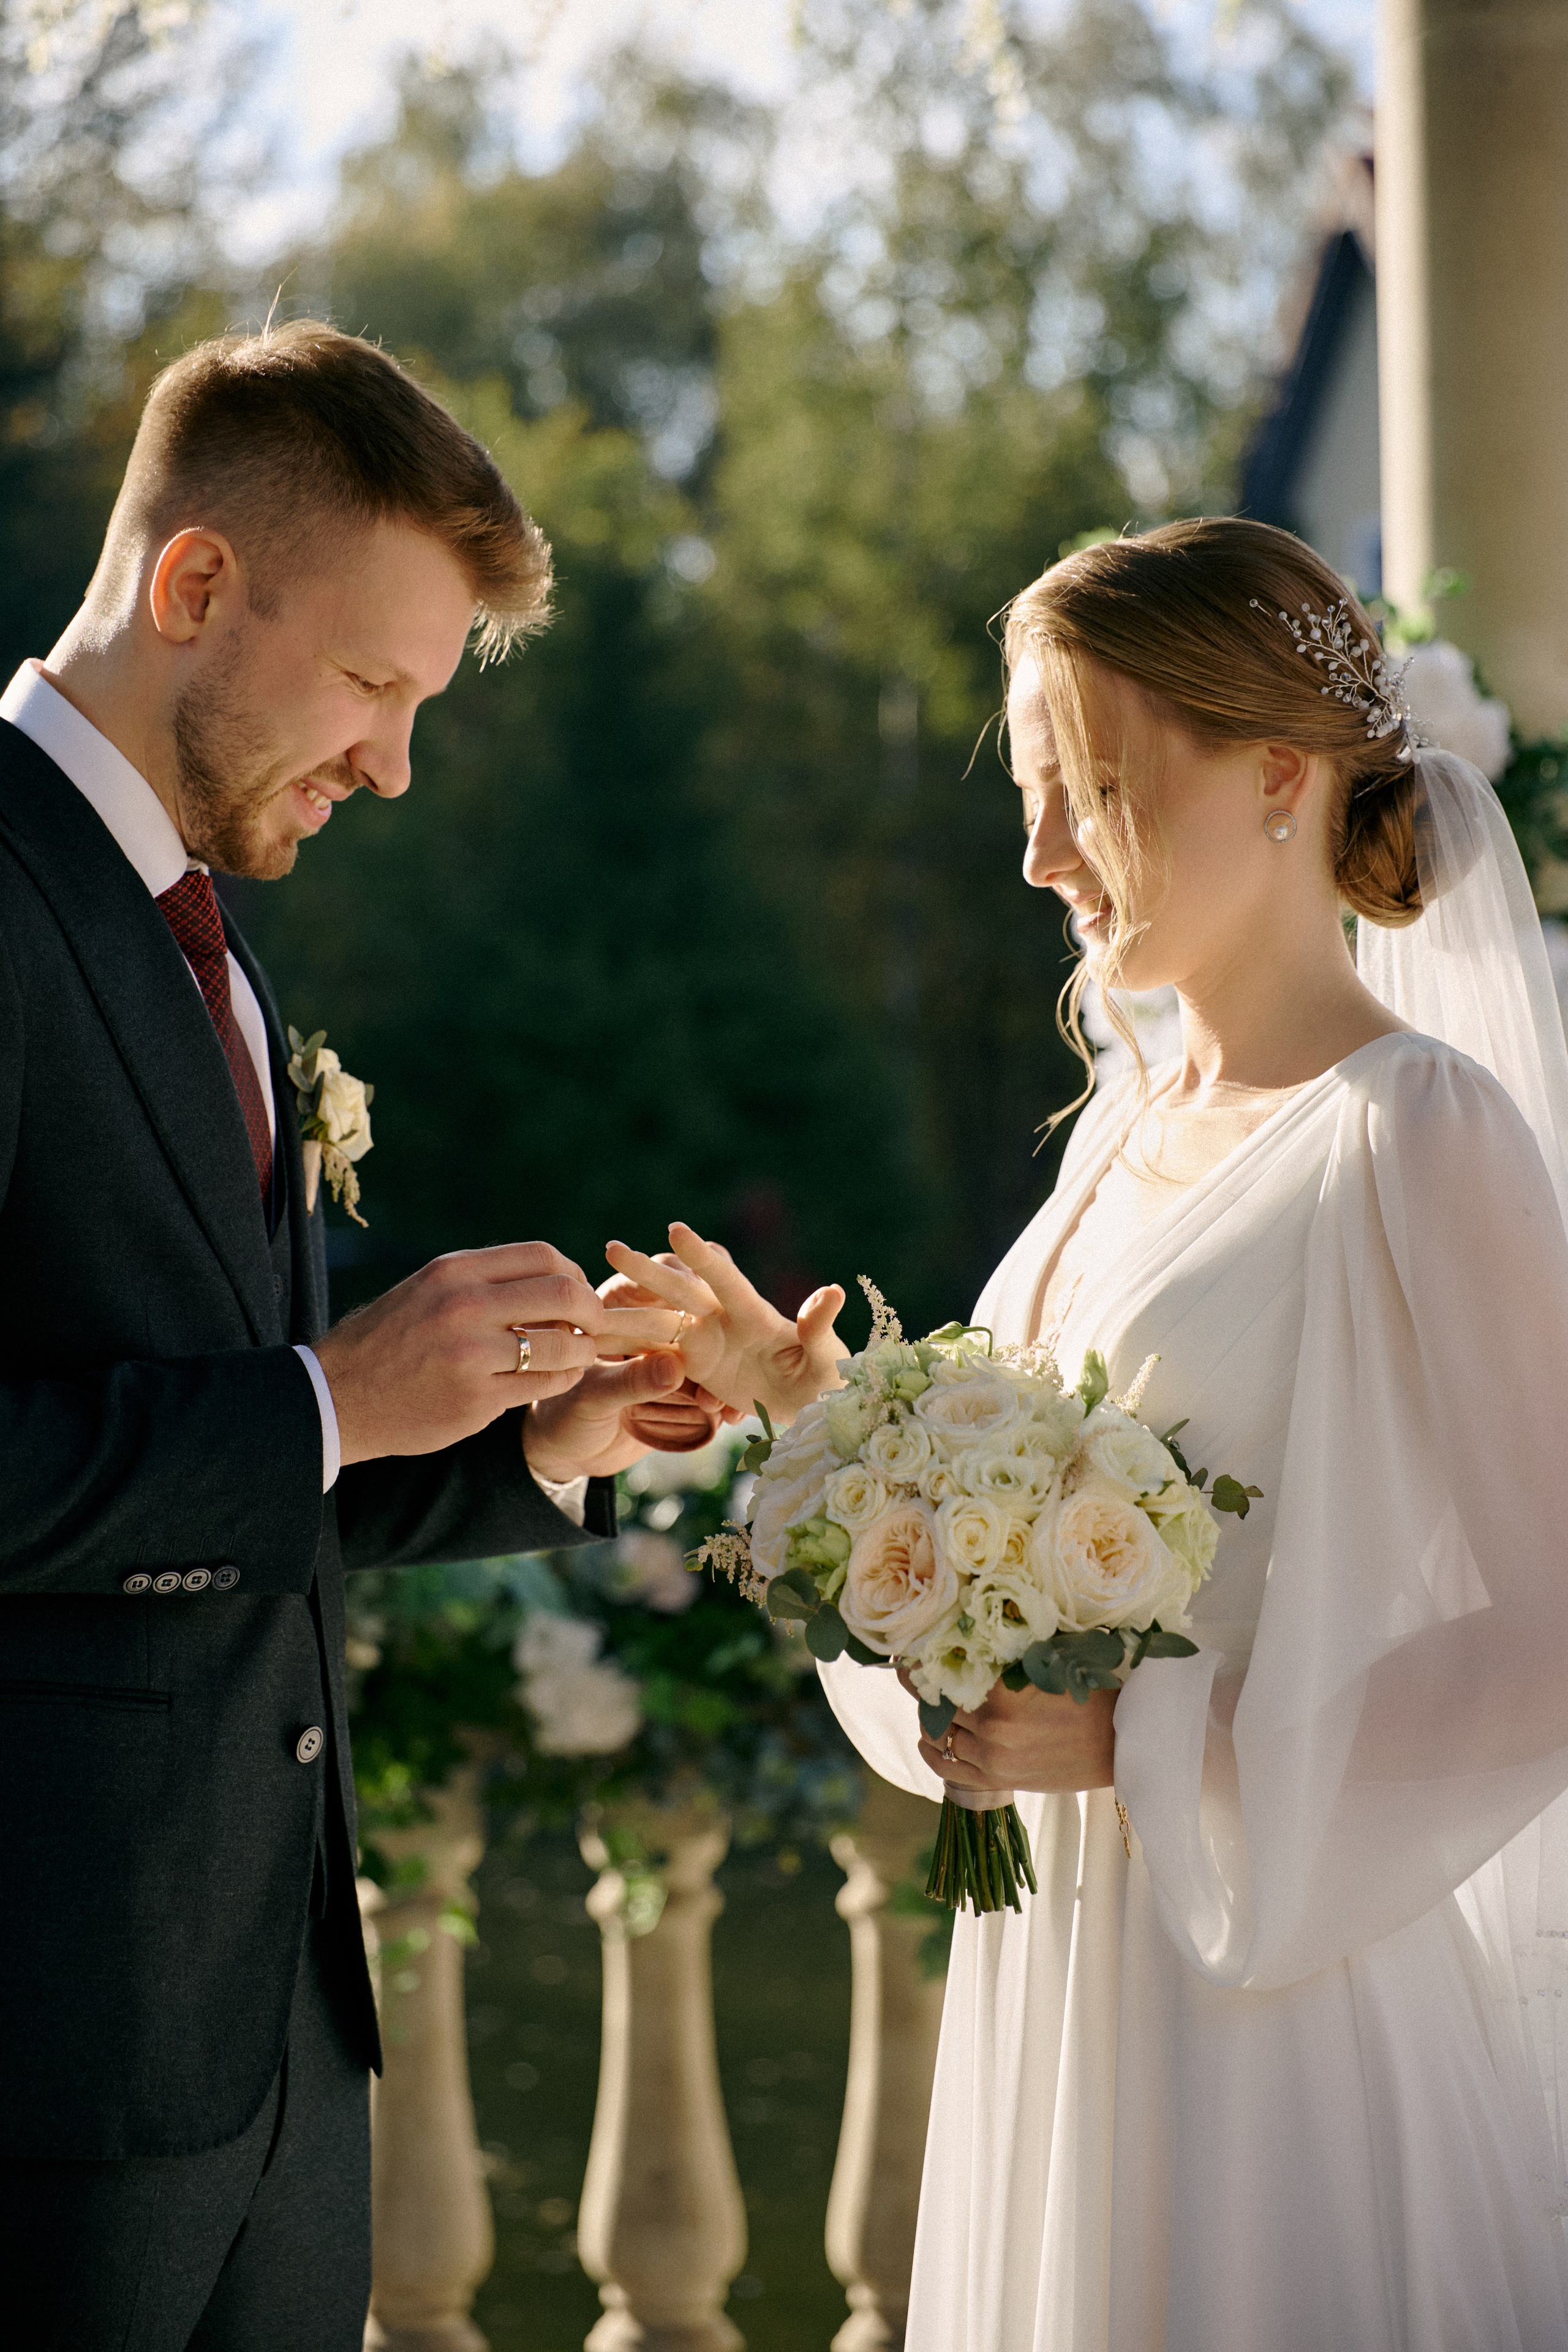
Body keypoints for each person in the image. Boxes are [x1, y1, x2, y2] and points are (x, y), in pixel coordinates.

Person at [622, 519, 1568, 2348]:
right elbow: (1008, 1545)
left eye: (1098, 789)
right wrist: (804, 1405)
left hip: (1273, 2005)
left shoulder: (1417, 1130)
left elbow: (1553, 1634)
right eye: (1034, 794)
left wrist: (1147, 1738)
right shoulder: (1118, 1135)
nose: (1041, 852)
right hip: (1060, 1962)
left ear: (1279, 776)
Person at [0, 318, 721, 2349]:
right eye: (375, 686)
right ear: (196, 584)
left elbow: (232, 1489)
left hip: (278, 2055)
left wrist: (532, 1442)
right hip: (48, 2070)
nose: (396, 765)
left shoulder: (209, 942)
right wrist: (328, 1395)